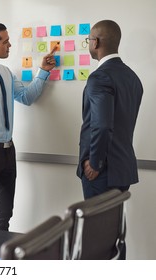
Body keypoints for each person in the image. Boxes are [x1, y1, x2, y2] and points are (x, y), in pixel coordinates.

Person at [0, 21, 56, 231]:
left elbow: (26, 97)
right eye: (5, 42)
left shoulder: (5, 72)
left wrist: (43, 71)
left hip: (7, 152)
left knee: (4, 216)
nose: (10, 45)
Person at [77, 20, 143, 259]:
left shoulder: (99, 77)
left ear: (95, 42)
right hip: (122, 168)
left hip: (101, 172)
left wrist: (94, 162)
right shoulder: (132, 77)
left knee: (97, 239)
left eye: (88, 41)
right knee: (114, 237)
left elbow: (103, 126)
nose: (88, 45)